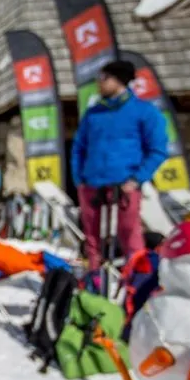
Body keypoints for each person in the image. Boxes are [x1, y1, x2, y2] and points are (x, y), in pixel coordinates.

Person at [71, 59, 168, 274]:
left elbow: (158, 150)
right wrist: (79, 179)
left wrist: (136, 179)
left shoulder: (145, 112)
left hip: (126, 183)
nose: (99, 83)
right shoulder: (93, 113)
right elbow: (79, 147)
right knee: (92, 239)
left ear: (119, 80)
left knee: (129, 233)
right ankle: (93, 279)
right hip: (92, 183)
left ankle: (137, 279)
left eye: (103, 78)